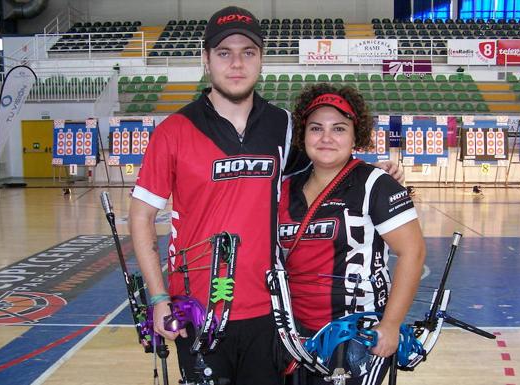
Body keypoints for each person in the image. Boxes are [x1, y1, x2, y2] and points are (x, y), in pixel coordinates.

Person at [129, 6, 403, 385]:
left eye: (248, 52)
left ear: (261, 59)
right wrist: (158, 299)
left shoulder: (283, 125)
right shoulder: (173, 131)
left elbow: (324, 165)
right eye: (224, 53)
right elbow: (141, 216)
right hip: (198, 310)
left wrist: (373, 172)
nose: (236, 63)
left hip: (271, 310)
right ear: (206, 60)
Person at [278, 83, 426, 385]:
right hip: (296, 336)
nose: (327, 138)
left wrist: (392, 324)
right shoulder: (283, 189)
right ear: (303, 135)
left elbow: (413, 253)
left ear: (355, 135)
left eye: (339, 129)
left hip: (357, 336)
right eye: (316, 128)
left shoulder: (376, 184)